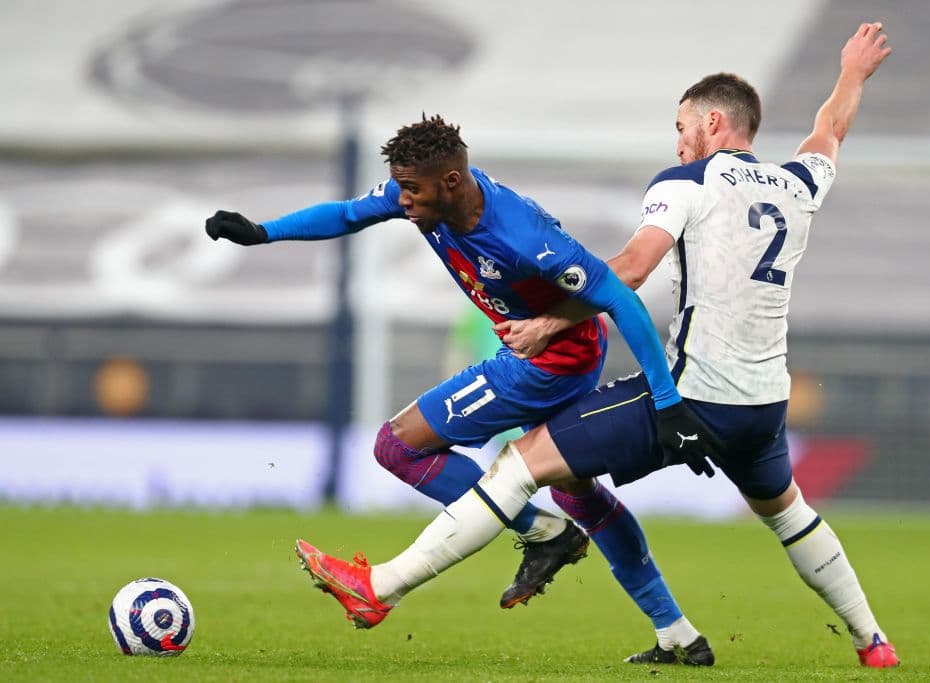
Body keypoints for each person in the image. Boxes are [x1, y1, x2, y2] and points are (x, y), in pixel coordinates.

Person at [297, 23, 899, 669]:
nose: (678, 140)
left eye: (682, 125)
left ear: (714, 122)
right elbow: (828, 132)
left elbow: (629, 272)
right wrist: (852, 76)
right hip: (762, 403)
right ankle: (871, 641)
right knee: (789, 516)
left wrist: (551, 323)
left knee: (522, 464)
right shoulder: (797, 185)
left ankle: (380, 586)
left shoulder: (685, 182)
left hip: (689, 393)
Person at [207, 115, 711, 653]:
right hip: (555, 353)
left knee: (398, 445)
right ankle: (677, 634)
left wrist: (667, 401)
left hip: (544, 365)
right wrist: (264, 233)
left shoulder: (521, 235)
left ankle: (544, 533)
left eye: (411, 190)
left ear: (450, 181)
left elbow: (620, 297)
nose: (402, 201)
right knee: (576, 490)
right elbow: (349, 213)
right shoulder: (428, 196)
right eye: (400, 187)